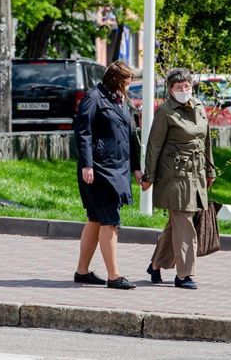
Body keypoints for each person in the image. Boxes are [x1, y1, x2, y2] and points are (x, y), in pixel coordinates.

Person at [141, 68, 216, 290]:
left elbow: (206, 141)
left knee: (178, 223)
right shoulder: (165, 112)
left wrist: (210, 170)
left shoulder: (199, 107)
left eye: (187, 86)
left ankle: (156, 264)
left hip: (196, 172)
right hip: (174, 175)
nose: (184, 90)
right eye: (178, 87)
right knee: (184, 223)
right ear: (170, 89)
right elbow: (154, 146)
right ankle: (185, 274)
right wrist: (149, 176)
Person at [73, 60, 143, 290]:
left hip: (117, 168)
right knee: (110, 220)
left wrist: (136, 167)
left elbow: (131, 135)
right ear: (117, 80)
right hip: (99, 170)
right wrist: (87, 165)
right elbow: (83, 132)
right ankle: (114, 276)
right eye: (127, 81)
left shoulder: (120, 100)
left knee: (96, 219)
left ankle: (82, 272)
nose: (129, 85)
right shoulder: (93, 98)